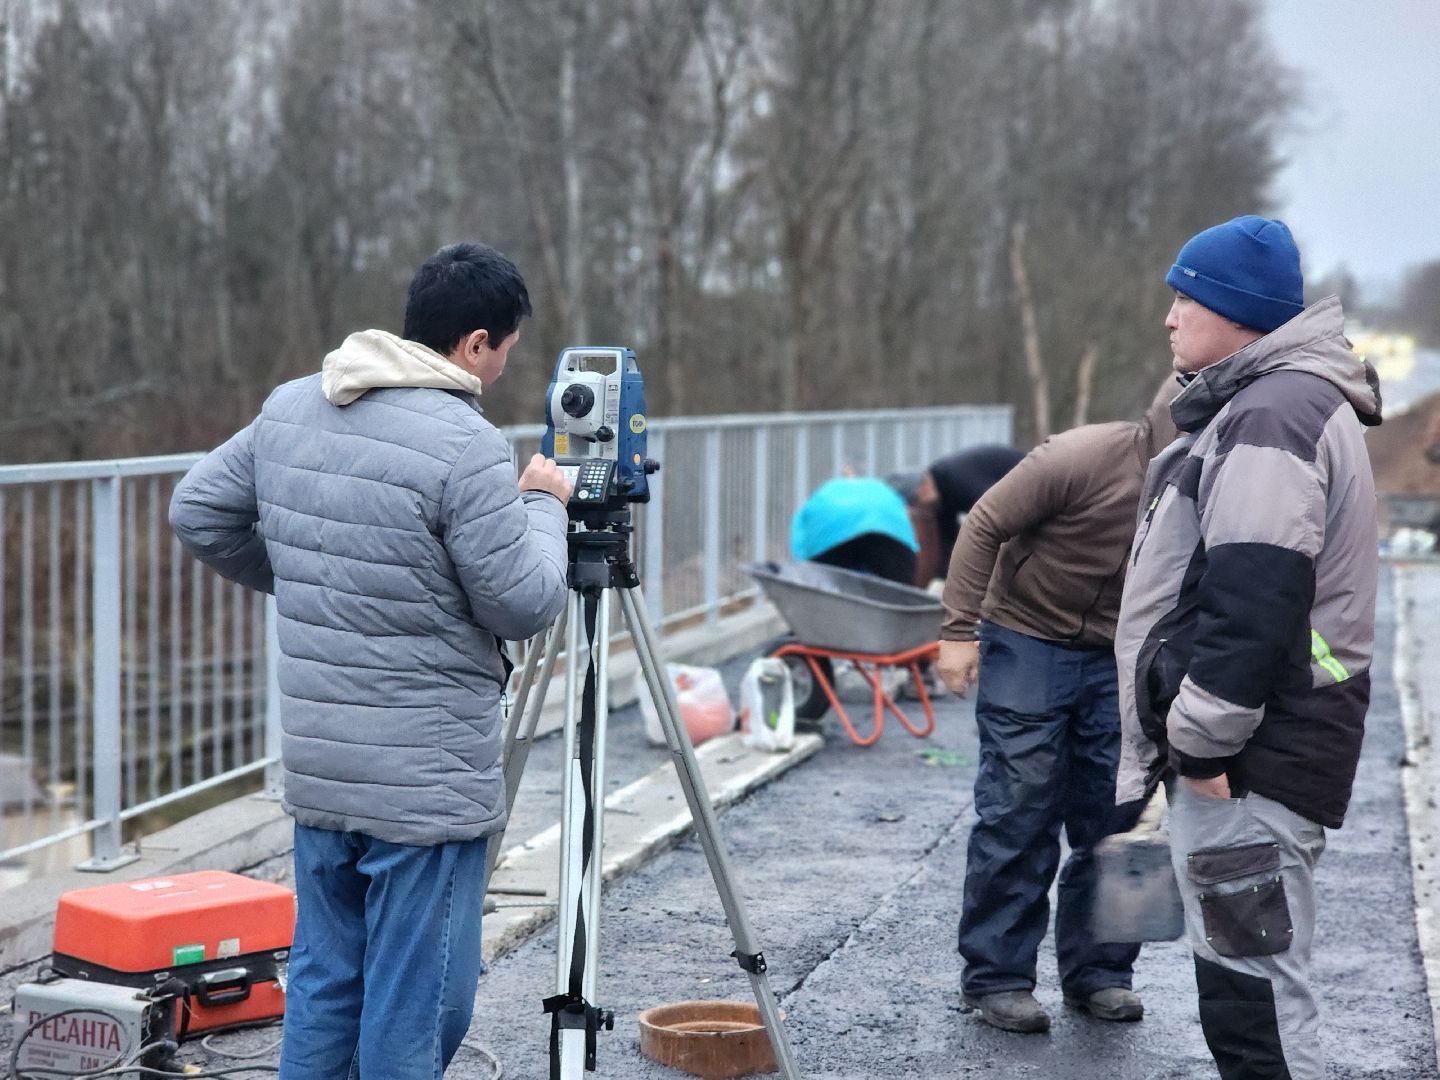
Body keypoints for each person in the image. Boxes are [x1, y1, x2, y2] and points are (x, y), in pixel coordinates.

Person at [169, 242, 573, 1079]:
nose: (502, 367)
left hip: (324, 774)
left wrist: (321, 582)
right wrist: (544, 504)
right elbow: (525, 603)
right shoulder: (463, 443)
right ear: (472, 344)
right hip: (424, 790)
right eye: (504, 350)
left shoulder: (291, 406)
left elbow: (199, 511)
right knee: (414, 1002)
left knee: (323, 984)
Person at [1114, 216, 1381, 1080]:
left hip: (1253, 755)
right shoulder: (1275, 403)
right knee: (1243, 983)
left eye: (1186, 296)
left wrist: (1200, 742)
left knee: (1256, 995)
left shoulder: (1272, 412)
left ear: (1238, 311)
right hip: (1264, 745)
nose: (1171, 316)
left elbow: (1254, 599)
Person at [936, 385, 1178, 1033]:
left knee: (1121, 809)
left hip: (1124, 654)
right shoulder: (1080, 457)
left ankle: (1101, 973)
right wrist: (958, 632)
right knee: (1021, 803)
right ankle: (998, 978)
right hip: (1027, 634)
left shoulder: (1215, 485)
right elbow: (984, 522)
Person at [904, 445, 1026, 586]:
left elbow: (998, 514)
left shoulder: (955, 478)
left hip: (1025, 478)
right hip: (1000, 492)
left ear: (923, 488)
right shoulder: (938, 497)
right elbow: (945, 547)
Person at [791, 475, 919, 585]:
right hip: (888, 530)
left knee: (825, 586)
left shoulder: (824, 495)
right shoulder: (887, 496)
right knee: (898, 593)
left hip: (830, 532)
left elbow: (801, 546)